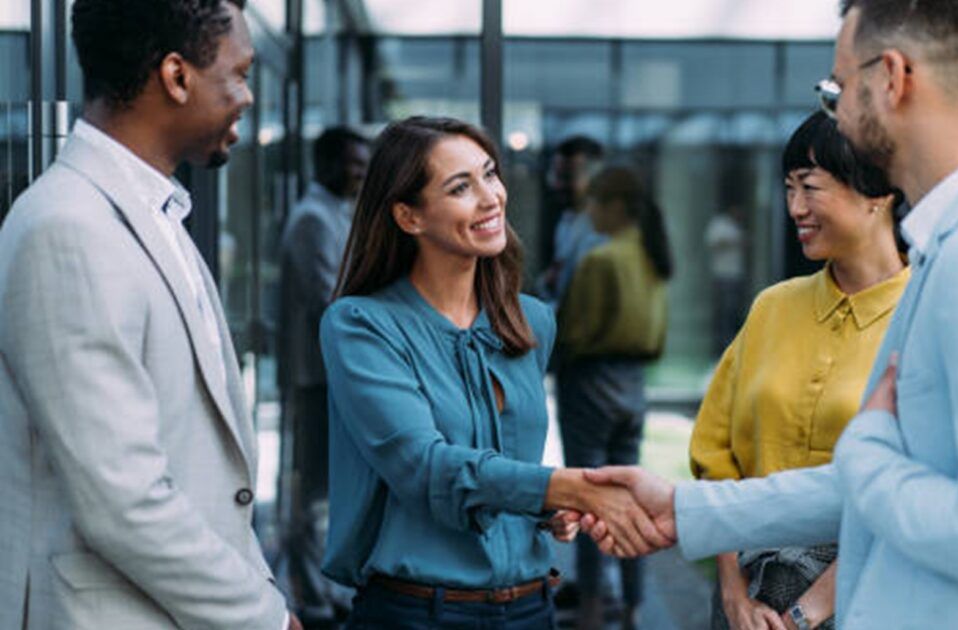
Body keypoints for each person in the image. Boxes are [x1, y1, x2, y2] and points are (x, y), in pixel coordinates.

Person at [581, 1, 958, 628]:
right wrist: (683, 509)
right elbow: (905, 487)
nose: (835, 109)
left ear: (892, 78)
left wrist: (865, 450)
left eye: (837, 87)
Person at [0, 1, 300, 628]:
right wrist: (264, 617)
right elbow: (123, 500)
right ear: (176, 75)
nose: (247, 96)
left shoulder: (149, 213)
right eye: (239, 73)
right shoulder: (69, 229)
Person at [318, 116, 672, 629]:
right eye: (461, 187)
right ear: (408, 216)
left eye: (490, 174)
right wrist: (565, 488)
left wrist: (544, 510)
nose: (491, 198)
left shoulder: (530, 322)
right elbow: (426, 468)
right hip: (417, 614)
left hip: (531, 609)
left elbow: (504, 466)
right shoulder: (360, 327)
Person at [690, 111, 907, 630]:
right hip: (747, 603)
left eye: (810, 188)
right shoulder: (773, 307)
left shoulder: (923, 315)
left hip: (868, 602)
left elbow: (906, 488)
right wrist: (733, 593)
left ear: (876, 192)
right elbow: (715, 458)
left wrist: (804, 614)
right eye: (788, 189)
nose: (794, 208)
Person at [556, 166, 673, 629]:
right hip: (632, 387)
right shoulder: (650, 257)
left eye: (597, 204)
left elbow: (574, 331)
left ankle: (588, 610)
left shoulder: (601, 260)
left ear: (617, 207)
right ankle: (632, 606)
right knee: (633, 496)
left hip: (590, 383)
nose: (590, 213)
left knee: (586, 499)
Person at [278, 126, 370, 627]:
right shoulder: (313, 218)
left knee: (324, 493)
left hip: (328, 375)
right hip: (316, 376)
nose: (359, 173)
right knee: (311, 496)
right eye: (353, 164)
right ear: (326, 164)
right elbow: (332, 301)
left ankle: (324, 593)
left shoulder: (334, 213)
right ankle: (312, 600)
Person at [536, 135, 607, 306]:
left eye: (568, 177)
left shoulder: (604, 229)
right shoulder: (566, 220)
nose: (558, 185)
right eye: (556, 176)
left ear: (595, 178)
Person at [702, 205, 747, 356]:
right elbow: (712, 242)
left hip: (735, 276)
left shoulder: (737, 227)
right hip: (722, 275)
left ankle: (731, 345)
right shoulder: (720, 224)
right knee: (722, 312)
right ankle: (720, 348)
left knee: (732, 311)